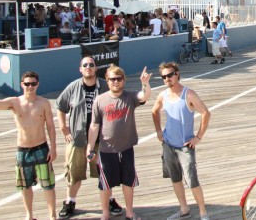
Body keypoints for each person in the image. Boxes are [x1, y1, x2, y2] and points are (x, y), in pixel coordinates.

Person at [0, 71, 57, 220]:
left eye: (33, 84)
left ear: (38, 84)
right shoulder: (15, 102)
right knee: (25, 186)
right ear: (21, 85)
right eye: (27, 84)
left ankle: (52, 215)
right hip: (23, 150)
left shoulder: (43, 103)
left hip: (41, 148)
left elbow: (50, 126)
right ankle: (29, 215)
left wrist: (53, 148)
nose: (30, 87)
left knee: (48, 184)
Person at [56, 57, 123, 218]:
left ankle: (110, 199)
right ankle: (70, 201)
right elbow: (60, 105)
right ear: (80, 69)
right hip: (78, 139)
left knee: (104, 172)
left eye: (91, 65)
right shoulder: (73, 87)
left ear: (95, 68)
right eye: (85, 65)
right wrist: (63, 127)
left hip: (102, 140)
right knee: (73, 172)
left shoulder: (104, 87)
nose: (88, 67)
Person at [87, 65, 152, 220]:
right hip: (106, 149)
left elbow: (144, 96)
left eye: (118, 79)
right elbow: (94, 125)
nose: (115, 82)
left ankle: (129, 211)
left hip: (126, 148)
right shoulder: (100, 100)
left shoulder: (129, 97)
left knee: (128, 182)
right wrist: (90, 147)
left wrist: (145, 83)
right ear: (107, 81)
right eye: (112, 79)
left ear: (123, 80)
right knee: (105, 184)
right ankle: (105, 214)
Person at [151, 62, 211, 220]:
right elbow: (154, 111)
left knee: (192, 180)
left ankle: (203, 212)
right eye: (164, 76)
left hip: (185, 146)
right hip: (168, 145)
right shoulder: (162, 95)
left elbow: (205, 113)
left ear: (177, 74)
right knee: (175, 179)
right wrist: (158, 130)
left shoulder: (188, 94)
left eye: (170, 75)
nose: (167, 79)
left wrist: (198, 137)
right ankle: (184, 209)